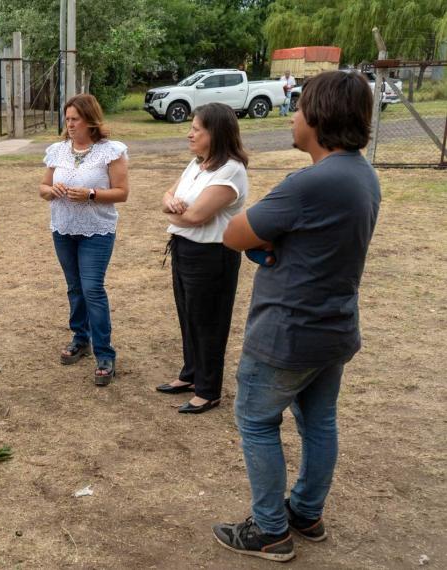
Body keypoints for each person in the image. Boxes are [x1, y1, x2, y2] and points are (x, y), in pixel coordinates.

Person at [212, 71, 380, 562]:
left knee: (256, 421)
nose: (293, 114)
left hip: (287, 332)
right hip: (334, 327)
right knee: (319, 421)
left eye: (300, 106)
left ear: (320, 117)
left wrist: (269, 242)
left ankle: (270, 530)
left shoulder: (309, 182)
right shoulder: (362, 173)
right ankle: (306, 512)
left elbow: (235, 234)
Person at [155, 103, 248, 413]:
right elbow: (168, 196)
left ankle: (209, 391)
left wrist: (175, 212)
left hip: (212, 256)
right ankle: (192, 374)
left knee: (209, 323)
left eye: (196, 129)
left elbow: (195, 216)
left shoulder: (231, 169)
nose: (189, 133)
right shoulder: (198, 164)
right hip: (184, 248)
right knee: (188, 316)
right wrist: (171, 204)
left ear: (216, 133)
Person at [38, 93, 129, 386]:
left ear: (90, 120)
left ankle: (105, 353)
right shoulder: (58, 150)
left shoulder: (110, 151)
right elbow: (42, 186)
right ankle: (81, 338)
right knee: (75, 288)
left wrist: (91, 194)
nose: (70, 124)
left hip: (97, 231)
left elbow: (122, 193)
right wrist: (51, 191)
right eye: (67, 119)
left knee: (92, 288)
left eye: (75, 119)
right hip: (63, 228)